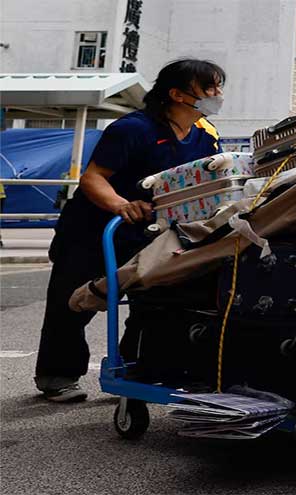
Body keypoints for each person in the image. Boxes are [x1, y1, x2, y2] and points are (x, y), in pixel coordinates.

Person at [34, 59, 226, 402]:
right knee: (72, 302)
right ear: (177, 94)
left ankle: (136, 369)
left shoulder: (205, 137)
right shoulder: (134, 128)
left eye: (218, 87)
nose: (218, 95)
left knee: (154, 300)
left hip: (152, 233)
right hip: (94, 229)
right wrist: (121, 205)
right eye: (209, 88)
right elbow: (94, 177)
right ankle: (58, 375)